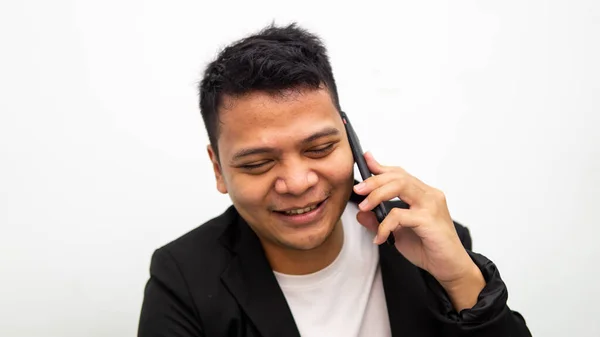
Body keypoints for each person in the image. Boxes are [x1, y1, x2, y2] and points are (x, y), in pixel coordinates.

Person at [137, 23, 532, 337]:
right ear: (218, 169)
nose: (296, 182)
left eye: (320, 148)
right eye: (258, 163)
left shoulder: (426, 241)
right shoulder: (182, 278)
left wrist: (461, 277)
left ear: (351, 142)